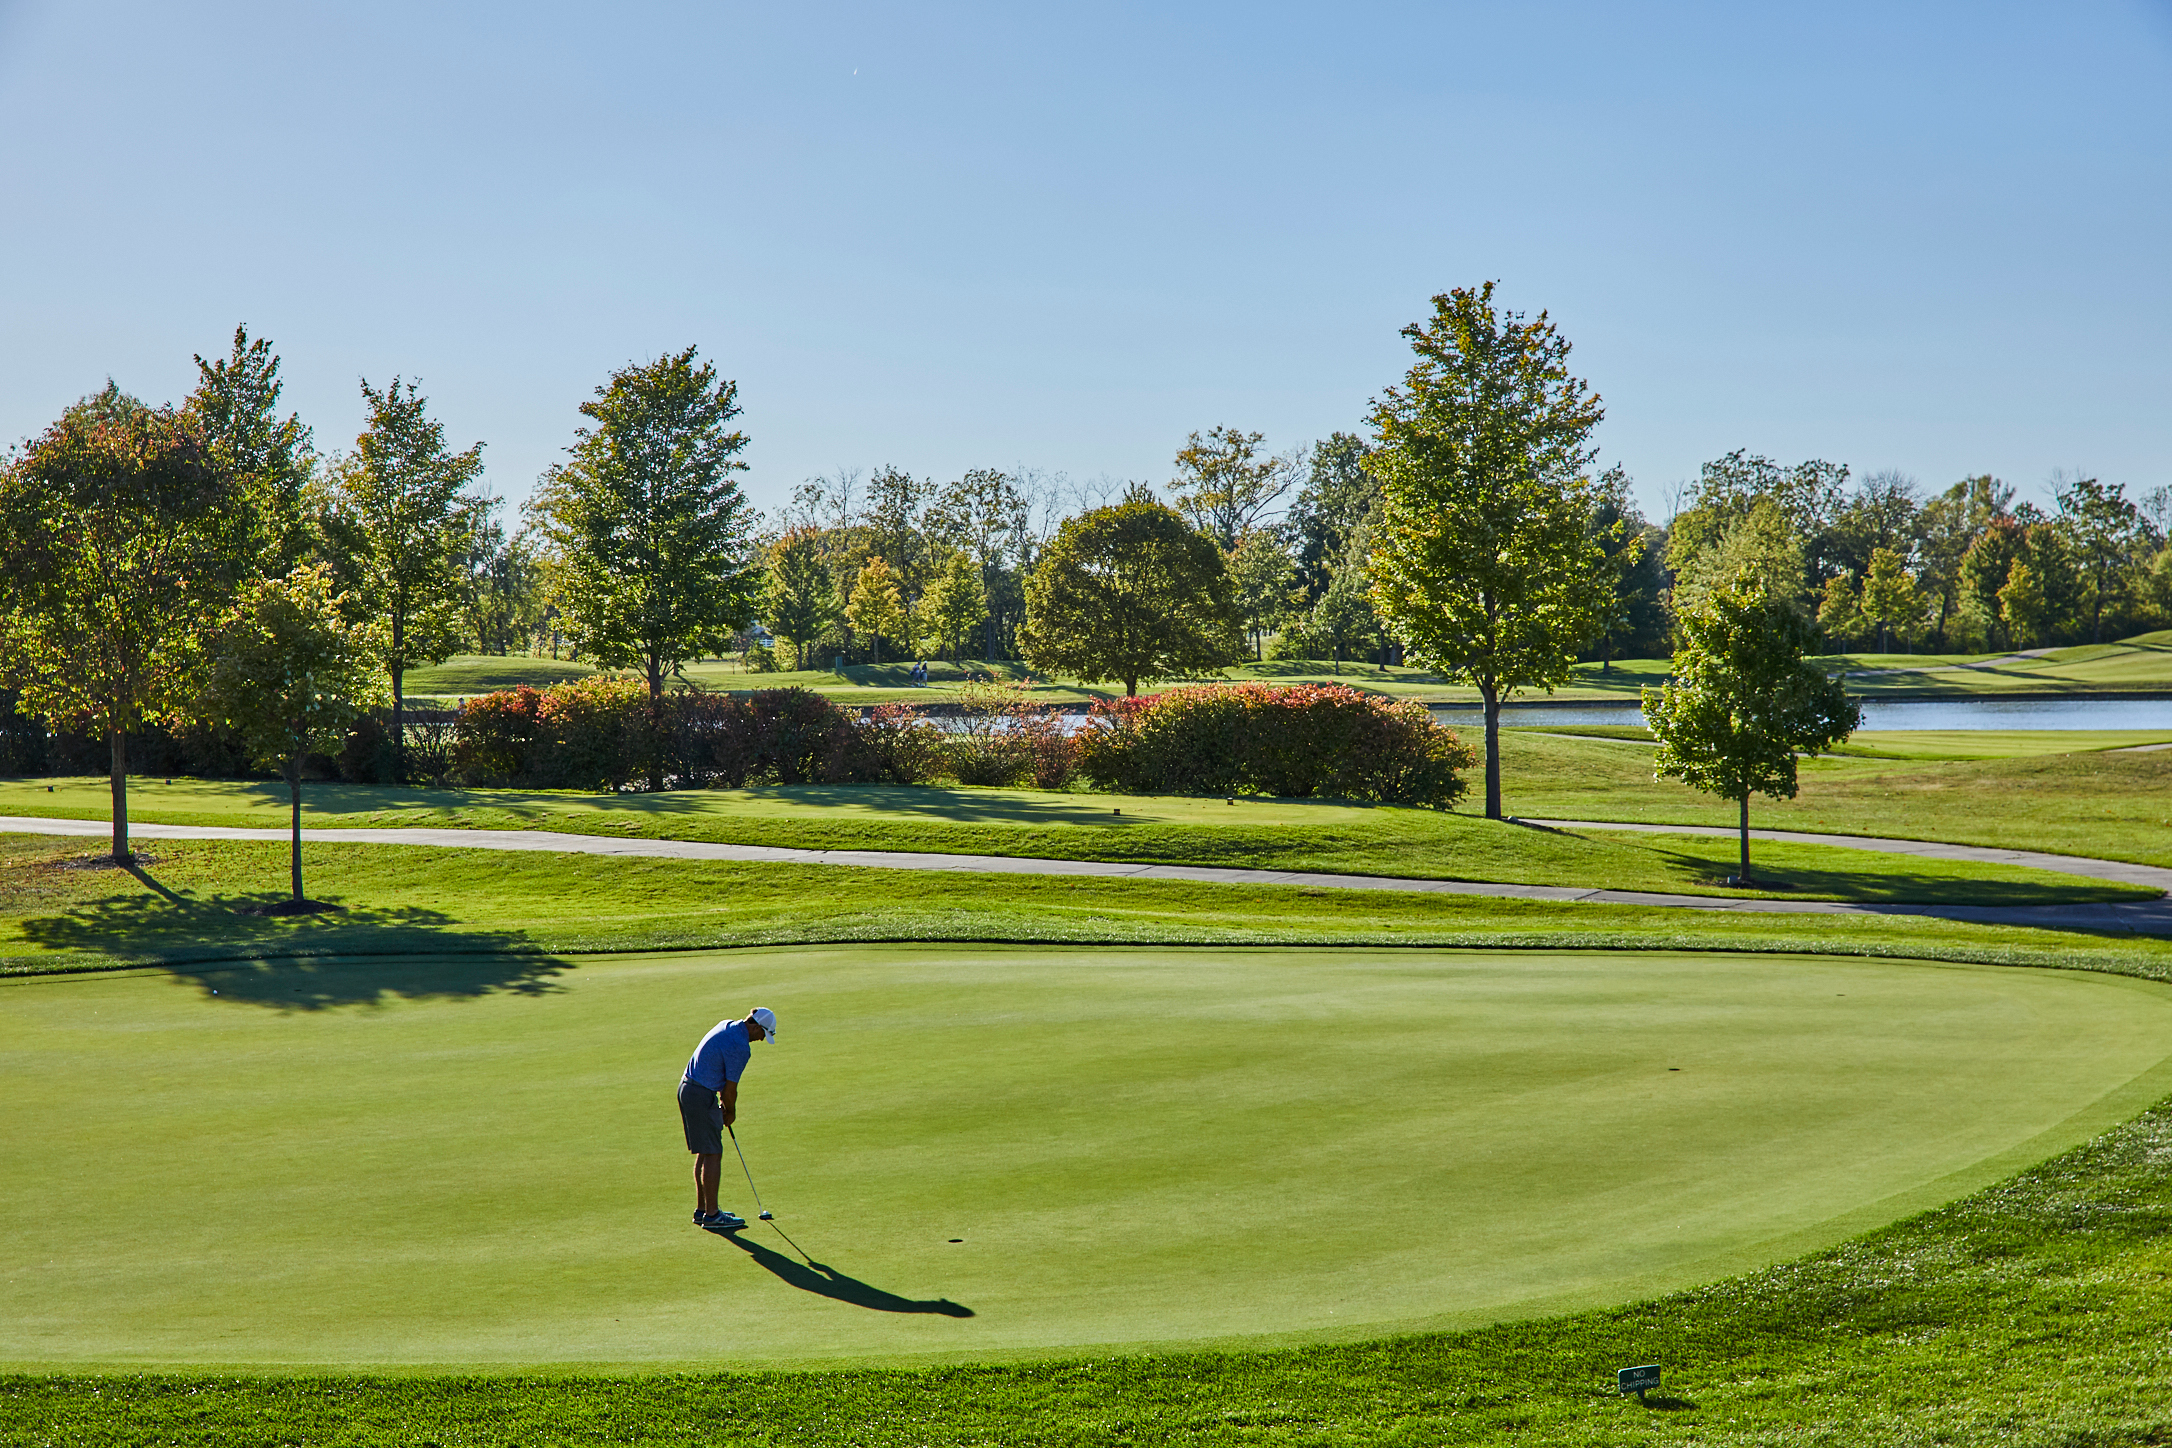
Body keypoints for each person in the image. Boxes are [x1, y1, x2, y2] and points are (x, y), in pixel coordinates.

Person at [678, 1006, 777, 1229]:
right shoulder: (740, 1046)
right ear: (755, 1026)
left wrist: (722, 1103)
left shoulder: (727, 1024)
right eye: (763, 1034)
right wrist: (730, 1112)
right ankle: (712, 1215)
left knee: (706, 1150)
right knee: (713, 1152)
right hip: (700, 1093)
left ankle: (703, 1209)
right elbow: (730, 1089)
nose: (762, 1040)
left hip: (689, 1088)